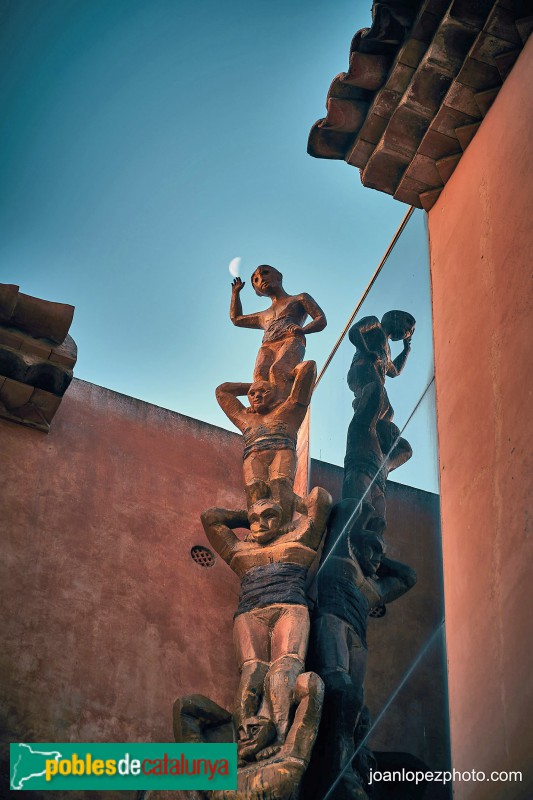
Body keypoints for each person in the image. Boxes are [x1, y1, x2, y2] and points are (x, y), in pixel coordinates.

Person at [200, 486, 332, 765]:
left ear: (283, 518)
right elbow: (210, 517)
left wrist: (287, 501)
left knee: (284, 667)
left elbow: (321, 500)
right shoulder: (239, 549)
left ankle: (281, 738)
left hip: (289, 608)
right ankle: (244, 744)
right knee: (252, 673)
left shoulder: (299, 537)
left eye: (269, 516)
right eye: (255, 519)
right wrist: (247, 514)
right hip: (251, 612)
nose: (261, 524)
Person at [307, 502, 416, 799]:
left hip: (358, 639)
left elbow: (409, 577)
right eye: (374, 551)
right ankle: (337, 769)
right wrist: (361, 541)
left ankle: (352, 764)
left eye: (381, 554)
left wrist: (377, 553)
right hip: (332, 623)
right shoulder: (341, 560)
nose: (378, 560)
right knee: (342, 691)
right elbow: (349, 510)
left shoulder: (371, 590)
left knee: (356, 706)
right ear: (355, 544)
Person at [216, 360, 316, 522]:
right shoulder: (245, 417)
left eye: (263, 391)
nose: (257, 396)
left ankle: (283, 525)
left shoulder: (289, 409)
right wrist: (255, 385)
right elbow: (222, 390)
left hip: (281, 450)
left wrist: (286, 377)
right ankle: (257, 526)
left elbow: (308, 367)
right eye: (252, 393)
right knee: (254, 487)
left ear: (274, 393)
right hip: (254, 454)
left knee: (280, 482)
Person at [343, 311, 415, 520]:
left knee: (388, 412)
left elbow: (395, 371)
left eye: (411, 330)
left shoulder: (388, 350)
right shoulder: (375, 325)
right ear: (393, 317)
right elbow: (354, 332)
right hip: (362, 371)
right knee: (374, 392)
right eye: (407, 323)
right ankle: (364, 412)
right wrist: (366, 352)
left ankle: (378, 441)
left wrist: (407, 349)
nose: (408, 330)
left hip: (377, 378)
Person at [229, 265, 326, 397]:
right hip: (267, 346)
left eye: (265, 273)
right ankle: (263, 409)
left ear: (278, 276)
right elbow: (236, 319)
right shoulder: (263, 316)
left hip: (290, 339)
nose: (261, 279)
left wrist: (303, 330)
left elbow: (321, 319)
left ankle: (282, 402)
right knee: (260, 374)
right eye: (256, 280)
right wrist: (235, 293)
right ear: (258, 292)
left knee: (279, 369)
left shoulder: (299, 298)